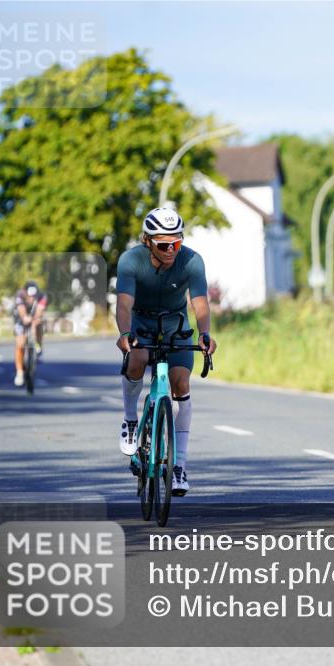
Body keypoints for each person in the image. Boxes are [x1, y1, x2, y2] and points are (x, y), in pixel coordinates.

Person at [114, 207, 217, 496]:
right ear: (147, 241)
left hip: (176, 323)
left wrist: (206, 333)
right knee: (137, 358)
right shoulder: (130, 260)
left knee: (181, 383)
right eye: (163, 244)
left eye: (176, 243)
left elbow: (200, 303)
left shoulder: (192, 261)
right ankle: (131, 421)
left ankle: (180, 466)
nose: (171, 250)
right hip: (141, 321)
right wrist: (124, 334)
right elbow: (123, 304)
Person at [13, 280, 48, 386]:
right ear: (25, 293)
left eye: (34, 296)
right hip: (20, 318)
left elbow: (39, 311)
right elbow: (21, 310)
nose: (32, 299)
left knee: (39, 324)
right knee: (20, 344)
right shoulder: (20, 295)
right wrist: (24, 317)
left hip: (34, 316)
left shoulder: (42, 296)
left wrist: (35, 320)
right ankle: (19, 373)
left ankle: (38, 346)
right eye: (30, 296)